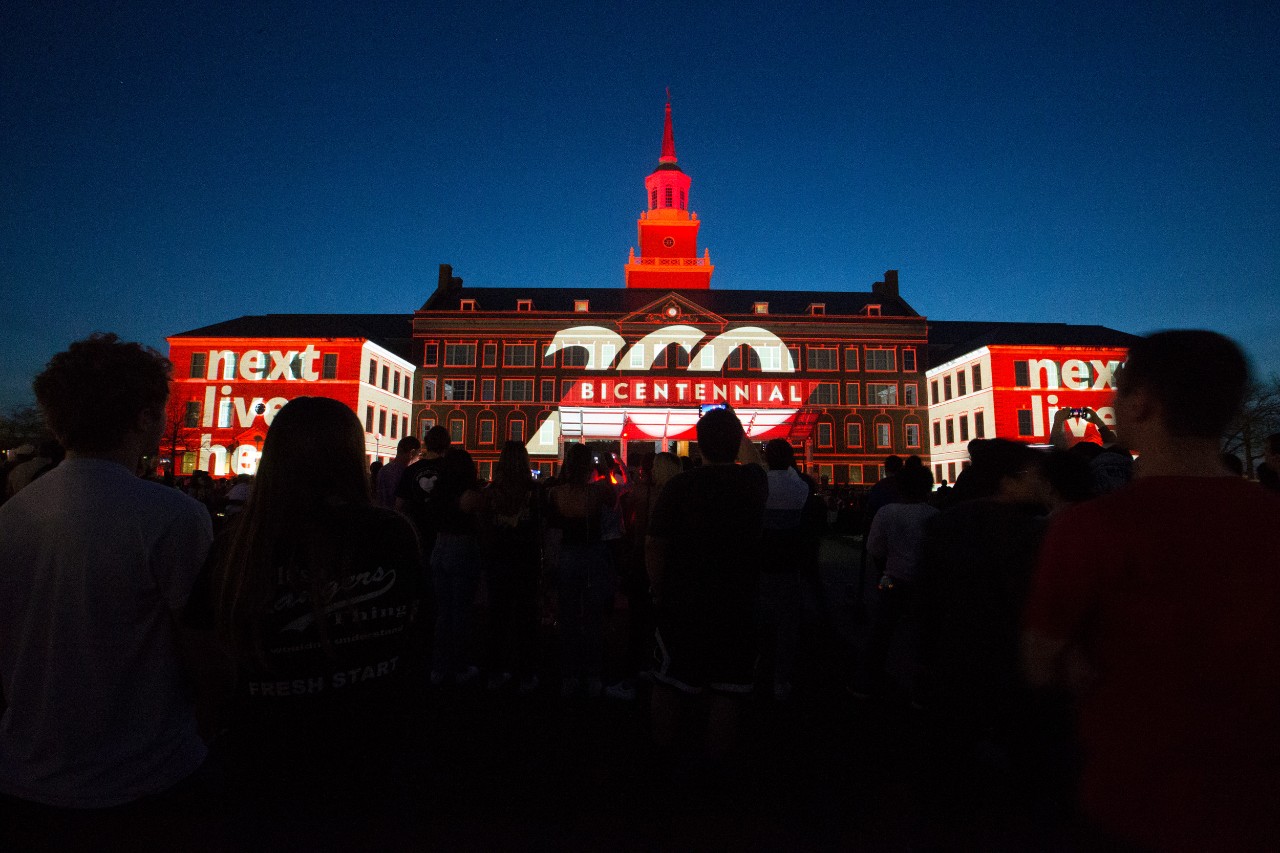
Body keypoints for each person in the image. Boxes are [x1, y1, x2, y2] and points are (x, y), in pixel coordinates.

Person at [1023, 330, 1280, 851]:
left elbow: (1039, 662)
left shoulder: (1091, 529)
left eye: (1118, 391)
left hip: (1136, 798)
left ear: (1142, 404)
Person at [0, 334, 214, 848]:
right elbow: (203, 649)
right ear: (143, 417)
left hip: (24, 771)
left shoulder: (12, 516)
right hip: (144, 776)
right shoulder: (174, 517)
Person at [186, 396, 423, 818]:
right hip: (370, 750)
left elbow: (205, 655)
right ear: (351, 455)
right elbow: (417, 635)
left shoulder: (239, 545)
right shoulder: (390, 535)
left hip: (263, 757)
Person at [647, 407, 767, 756]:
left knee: (669, 684)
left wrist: (659, 590)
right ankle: (718, 768)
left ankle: (664, 760)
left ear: (698, 446)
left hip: (683, 603)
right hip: (737, 604)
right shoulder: (754, 484)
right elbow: (754, 459)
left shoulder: (679, 486)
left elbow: (655, 544)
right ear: (737, 440)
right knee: (727, 691)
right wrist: (736, 431)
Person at [853, 458, 937, 699]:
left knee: (881, 627)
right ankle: (921, 689)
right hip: (923, 584)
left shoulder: (887, 512)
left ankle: (866, 680)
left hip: (891, 578)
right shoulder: (934, 515)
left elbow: (874, 548)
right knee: (924, 633)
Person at [546, 443, 616, 698]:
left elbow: (553, 534)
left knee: (568, 618)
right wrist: (608, 465)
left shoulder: (555, 494)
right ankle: (594, 676)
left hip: (567, 555)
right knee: (594, 618)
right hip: (593, 554)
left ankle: (569, 677)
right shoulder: (596, 493)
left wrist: (550, 568)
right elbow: (614, 495)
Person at [480, 441, 542, 693]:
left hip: (498, 561)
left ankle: (495, 672)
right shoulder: (535, 491)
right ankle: (526, 674)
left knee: (498, 618)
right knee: (527, 620)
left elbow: (483, 529)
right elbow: (541, 527)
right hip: (526, 561)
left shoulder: (491, 491)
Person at [756, 439, 815, 701]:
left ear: (766, 457)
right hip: (789, 561)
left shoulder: (761, 484)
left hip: (762, 559)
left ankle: (756, 669)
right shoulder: (799, 486)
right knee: (787, 623)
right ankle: (781, 679)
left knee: (758, 619)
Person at [428, 448, 486, 686]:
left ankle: (438, 668)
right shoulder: (468, 492)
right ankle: (459, 666)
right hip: (461, 547)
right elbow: (479, 520)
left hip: (439, 547)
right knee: (460, 611)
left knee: (444, 612)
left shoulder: (439, 490)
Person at [376, 435, 420, 509]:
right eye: (418, 455)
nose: (418, 458)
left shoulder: (383, 470)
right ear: (412, 453)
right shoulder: (407, 473)